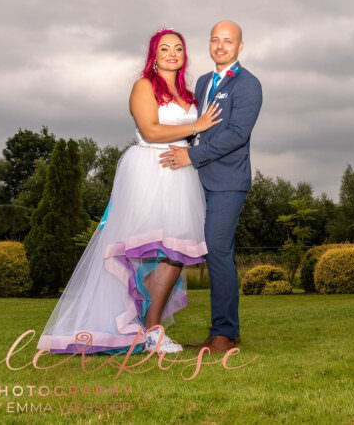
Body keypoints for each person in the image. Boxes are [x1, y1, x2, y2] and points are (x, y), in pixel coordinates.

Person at [37, 29, 221, 355]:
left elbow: (198, 136)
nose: (172, 53)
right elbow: (150, 131)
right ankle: (128, 322)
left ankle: (153, 329)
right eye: (164, 48)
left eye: (178, 48)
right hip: (148, 169)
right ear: (153, 54)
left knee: (176, 251)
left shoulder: (189, 96)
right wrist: (197, 126)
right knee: (135, 246)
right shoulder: (144, 86)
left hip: (180, 172)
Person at [160, 20, 262, 355]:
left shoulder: (248, 85)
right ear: (209, 44)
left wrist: (192, 155)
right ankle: (213, 330)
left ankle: (225, 335)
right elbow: (195, 127)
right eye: (215, 40)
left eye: (228, 41)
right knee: (190, 250)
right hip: (196, 180)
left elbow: (236, 135)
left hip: (228, 182)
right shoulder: (203, 82)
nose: (220, 46)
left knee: (218, 252)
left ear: (240, 47)